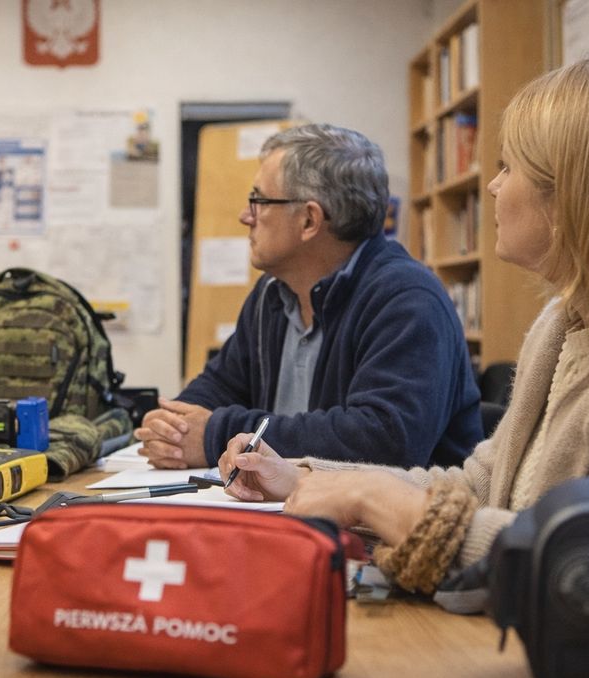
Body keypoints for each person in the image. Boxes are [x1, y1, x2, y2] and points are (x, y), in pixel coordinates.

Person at [218, 54, 589, 604]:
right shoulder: (566, 323)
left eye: (508, 167)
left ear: (576, 195)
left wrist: (372, 499)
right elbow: (484, 486)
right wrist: (304, 477)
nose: (492, 187)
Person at [136, 124, 482, 470]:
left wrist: (215, 434)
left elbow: (383, 441)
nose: (245, 217)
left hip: (399, 507)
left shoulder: (408, 299)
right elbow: (218, 386)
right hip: (290, 500)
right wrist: (174, 428)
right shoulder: (271, 294)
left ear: (309, 220)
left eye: (258, 201)